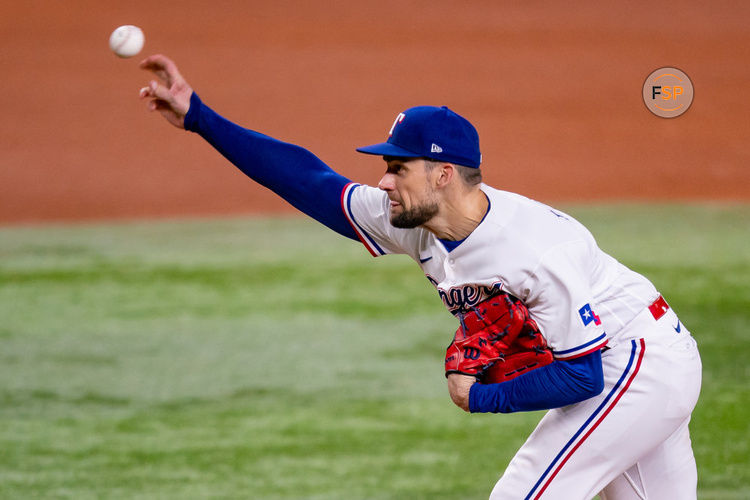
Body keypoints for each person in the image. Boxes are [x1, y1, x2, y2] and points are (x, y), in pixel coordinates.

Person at [138, 54, 702, 499]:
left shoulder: (535, 249)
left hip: (633, 361)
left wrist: (481, 396)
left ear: (443, 175)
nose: (383, 182)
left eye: (397, 168)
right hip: (641, 361)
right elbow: (310, 181)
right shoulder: (413, 220)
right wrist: (200, 119)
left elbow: (582, 378)